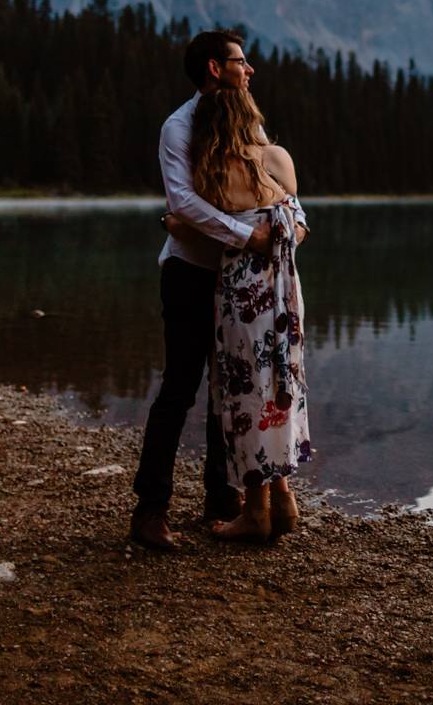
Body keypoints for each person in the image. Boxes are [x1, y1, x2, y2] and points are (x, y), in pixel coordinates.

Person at [129, 29, 303, 551]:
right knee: (180, 388)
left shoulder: (244, 119)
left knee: (230, 390)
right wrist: (245, 235)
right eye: (240, 61)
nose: (249, 69)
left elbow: (272, 188)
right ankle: (150, 510)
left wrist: (292, 225)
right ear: (213, 67)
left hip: (243, 280)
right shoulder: (177, 127)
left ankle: (221, 495)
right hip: (191, 273)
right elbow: (182, 201)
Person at [185, 85, 312, 541]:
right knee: (280, 382)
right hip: (283, 291)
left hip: (242, 290)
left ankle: (257, 512)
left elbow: (195, 220)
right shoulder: (278, 158)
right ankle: (285, 501)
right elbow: (297, 223)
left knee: (245, 390)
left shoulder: (211, 170)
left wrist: (171, 222)